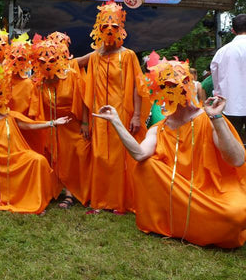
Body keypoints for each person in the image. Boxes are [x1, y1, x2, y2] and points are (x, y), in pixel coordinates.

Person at [94, 56, 246, 248]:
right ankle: (182, 222)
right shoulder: (159, 129)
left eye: (179, 83)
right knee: (146, 165)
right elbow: (139, 154)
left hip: (216, 190)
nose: (175, 90)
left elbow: (237, 160)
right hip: (178, 193)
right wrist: (116, 121)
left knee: (236, 214)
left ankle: (192, 223)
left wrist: (216, 118)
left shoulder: (207, 119)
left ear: (188, 85)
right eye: (167, 86)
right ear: (159, 92)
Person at [0, 63, 68, 214]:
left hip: (14, 157)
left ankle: (34, 199)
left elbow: (30, 125)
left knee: (38, 160)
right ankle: (10, 198)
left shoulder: (11, 116)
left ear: (3, 98)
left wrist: (52, 123)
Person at [84, 1, 150, 214]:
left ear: (121, 29)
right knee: (100, 155)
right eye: (105, 27)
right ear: (98, 29)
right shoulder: (95, 56)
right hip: (98, 114)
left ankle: (119, 202)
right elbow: (75, 64)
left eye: (114, 27)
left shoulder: (128, 55)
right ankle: (100, 200)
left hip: (122, 113)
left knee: (120, 158)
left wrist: (137, 115)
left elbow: (136, 87)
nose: (110, 30)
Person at [29, 36, 90, 209]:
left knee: (77, 153)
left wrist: (85, 124)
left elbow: (83, 101)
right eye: (42, 61)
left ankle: (79, 191)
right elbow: (36, 107)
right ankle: (63, 194)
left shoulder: (71, 76)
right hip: (52, 125)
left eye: (52, 60)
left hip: (72, 124)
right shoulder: (39, 83)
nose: (47, 64)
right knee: (57, 158)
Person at [3, 33, 43, 154]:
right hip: (1, 132)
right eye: (13, 56)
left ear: (26, 61)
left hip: (22, 133)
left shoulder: (29, 85)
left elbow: (32, 115)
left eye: (20, 58)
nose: (16, 61)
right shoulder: (2, 80)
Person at [211, 14, 246, 143]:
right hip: (230, 103)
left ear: (233, 30)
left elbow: (216, 79)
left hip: (229, 104)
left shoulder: (222, 52)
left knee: (232, 143)